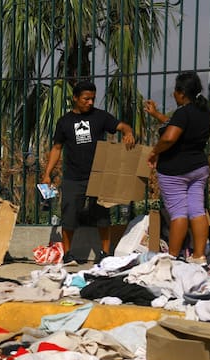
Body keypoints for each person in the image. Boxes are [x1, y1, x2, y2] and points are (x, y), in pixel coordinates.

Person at [40, 80, 136, 265]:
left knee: (102, 215)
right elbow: (56, 148)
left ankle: (105, 253)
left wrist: (128, 132)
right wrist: (47, 174)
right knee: (69, 216)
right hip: (73, 177)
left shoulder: (100, 117)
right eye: (86, 99)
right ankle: (69, 254)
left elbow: (122, 126)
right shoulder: (64, 122)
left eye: (93, 98)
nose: (90, 102)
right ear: (75, 98)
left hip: (99, 176)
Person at [145, 71, 210, 265]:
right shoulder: (202, 111)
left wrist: (154, 151)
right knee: (197, 211)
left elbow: (170, 137)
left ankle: (172, 258)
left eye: (175, 91)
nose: (174, 95)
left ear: (181, 93)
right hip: (198, 169)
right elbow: (177, 125)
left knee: (179, 213)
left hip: (175, 172)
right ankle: (199, 256)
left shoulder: (183, 112)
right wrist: (156, 114)